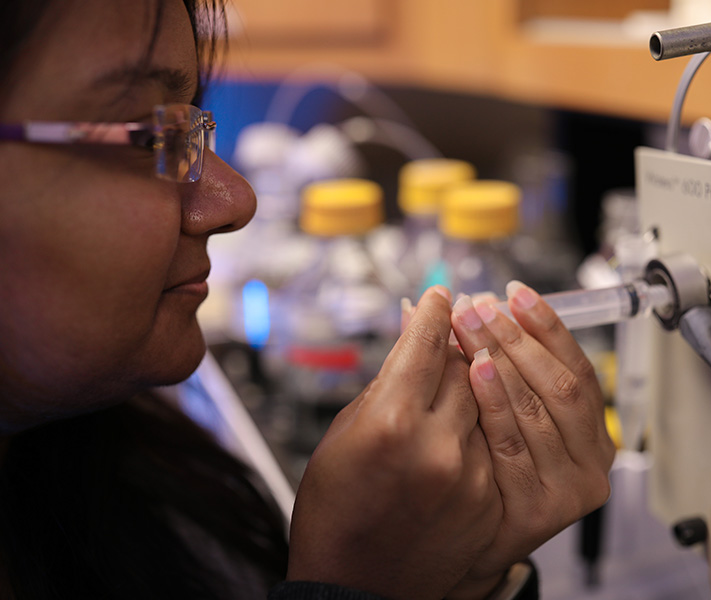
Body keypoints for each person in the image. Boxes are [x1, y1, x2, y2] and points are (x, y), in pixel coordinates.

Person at [0, 1, 616, 599]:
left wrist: (464, 576)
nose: (235, 201)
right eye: (146, 137)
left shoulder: (121, 467)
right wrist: (350, 587)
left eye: (187, 125)